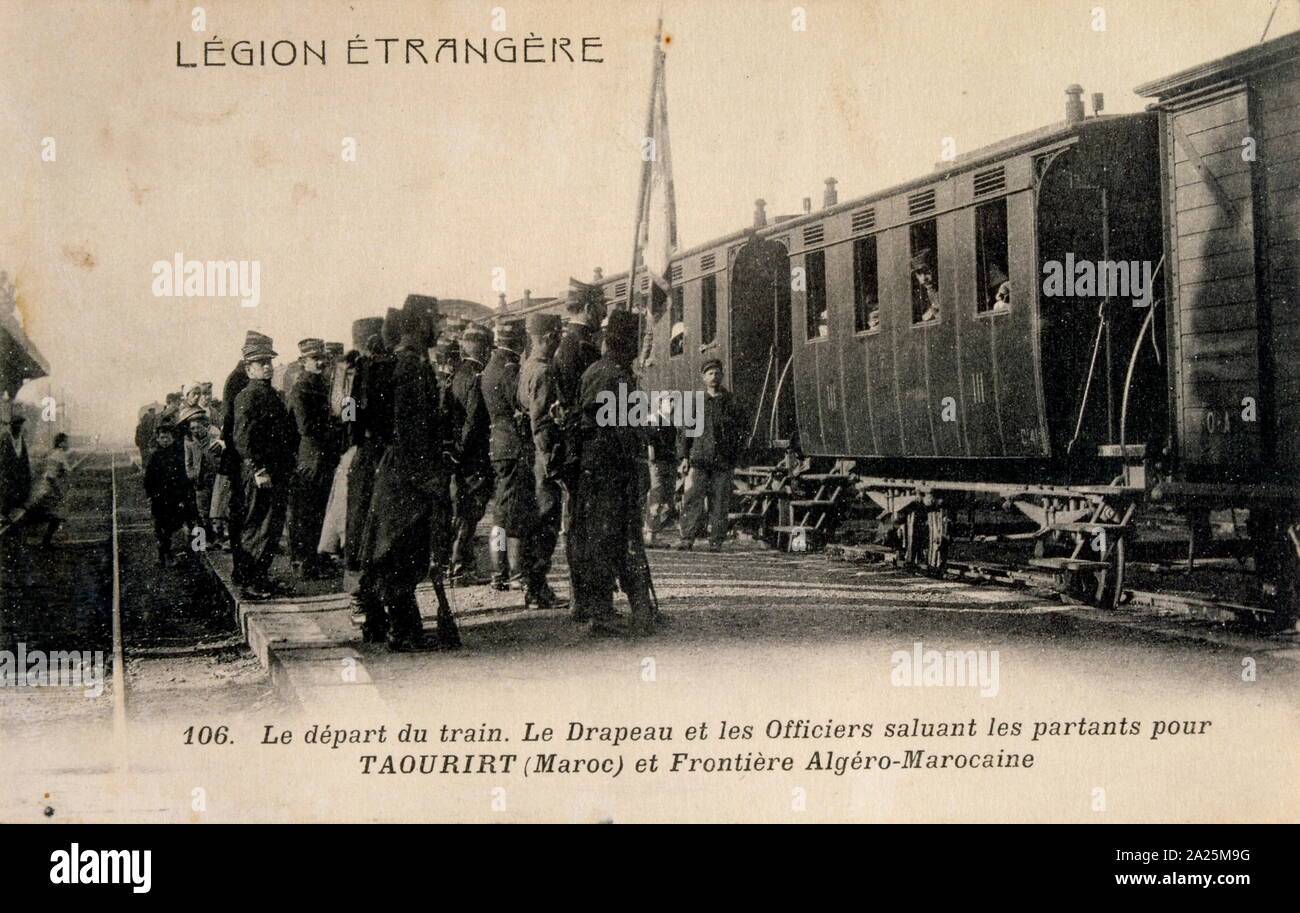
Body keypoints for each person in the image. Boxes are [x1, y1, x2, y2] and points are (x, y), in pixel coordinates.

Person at [357, 295, 460, 651]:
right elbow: (409, 432)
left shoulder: (402, 363)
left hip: (400, 474)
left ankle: (403, 628)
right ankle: (403, 632)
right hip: (409, 479)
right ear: (420, 324)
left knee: (399, 555)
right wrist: (432, 481)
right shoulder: (411, 368)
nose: (441, 328)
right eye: (436, 321)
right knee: (402, 556)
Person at [571, 309, 661, 636]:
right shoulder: (615, 377)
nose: (640, 349)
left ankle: (609, 607)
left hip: (603, 467)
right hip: (610, 469)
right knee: (608, 539)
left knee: (607, 538)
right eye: (638, 342)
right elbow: (620, 428)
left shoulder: (601, 371)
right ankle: (601, 611)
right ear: (626, 344)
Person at [232, 332, 299, 599]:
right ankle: (251, 582)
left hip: (276, 471)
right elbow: (243, 438)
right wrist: (258, 469)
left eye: (269, 361)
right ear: (249, 368)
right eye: (261, 363)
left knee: (270, 528)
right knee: (258, 527)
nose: (268, 366)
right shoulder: (248, 397)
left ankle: (260, 577)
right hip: (262, 473)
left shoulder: (268, 393)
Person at [517, 312, 569, 609]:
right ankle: (537, 589)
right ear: (549, 337)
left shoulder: (527, 367)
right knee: (546, 522)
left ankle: (534, 586)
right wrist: (551, 460)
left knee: (535, 521)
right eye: (557, 335)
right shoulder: (544, 372)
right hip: (543, 457)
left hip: (532, 455)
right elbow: (541, 421)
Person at [343, 315, 392, 629]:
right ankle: (368, 599)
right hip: (380, 457)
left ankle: (364, 601)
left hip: (365, 456)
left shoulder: (354, 373)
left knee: (360, 527)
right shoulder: (379, 369)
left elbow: (348, 415)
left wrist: (351, 440)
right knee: (374, 529)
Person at [480, 317, 536, 593]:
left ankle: (498, 571)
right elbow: (522, 403)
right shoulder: (511, 369)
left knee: (501, 512)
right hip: (514, 446)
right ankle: (515, 573)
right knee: (516, 513)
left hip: (498, 444)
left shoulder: (490, 367)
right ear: (520, 340)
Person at [287, 338, 341, 580]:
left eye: (322, 358)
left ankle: (318, 559)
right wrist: (334, 427)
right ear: (303, 361)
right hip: (311, 458)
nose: (320, 362)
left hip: (324, 456)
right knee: (306, 513)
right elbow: (305, 426)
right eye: (314, 359)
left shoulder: (323, 384)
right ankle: (303, 563)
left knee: (321, 510)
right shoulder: (301, 388)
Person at [677, 358, 744, 552]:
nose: (714, 377)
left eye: (717, 373)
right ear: (703, 377)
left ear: (722, 376)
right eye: (710, 373)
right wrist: (684, 457)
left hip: (723, 461)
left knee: (720, 502)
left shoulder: (731, 402)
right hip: (698, 459)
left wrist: (735, 454)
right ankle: (687, 538)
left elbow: (741, 431)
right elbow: (685, 431)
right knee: (691, 499)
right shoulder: (696, 402)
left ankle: (716, 541)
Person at [446, 323, 493, 587]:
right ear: (484, 348)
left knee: (460, 509)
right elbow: (474, 421)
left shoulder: (456, 374)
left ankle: (457, 564)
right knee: (470, 511)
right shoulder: (476, 376)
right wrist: (464, 452)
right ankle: (460, 567)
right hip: (473, 456)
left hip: (458, 453)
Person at [214, 349, 251, 567]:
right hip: (239, 453)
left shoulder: (235, 377)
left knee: (240, 508)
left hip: (236, 451)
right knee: (240, 508)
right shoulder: (239, 379)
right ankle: (241, 562)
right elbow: (233, 420)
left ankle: (242, 562)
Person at [144, 423, 193, 565]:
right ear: (158, 440)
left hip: (175, 497)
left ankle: (173, 554)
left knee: (173, 525)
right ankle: (163, 556)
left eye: (167, 438)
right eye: (162, 438)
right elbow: (149, 478)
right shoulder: (155, 457)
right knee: (160, 528)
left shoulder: (179, 454)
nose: (165, 440)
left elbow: (183, 477)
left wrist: (183, 496)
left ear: (172, 438)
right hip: (159, 498)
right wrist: (150, 494)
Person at [643, 395, 678, 548]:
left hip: (669, 464)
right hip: (657, 463)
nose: (672, 404)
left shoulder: (670, 424)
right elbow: (650, 442)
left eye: (673, 401)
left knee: (668, 501)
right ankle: (650, 534)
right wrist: (652, 461)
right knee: (655, 498)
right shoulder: (652, 421)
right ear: (659, 404)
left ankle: (652, 531)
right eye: (667, 400)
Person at [180, 406, 219, 545]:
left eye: (198, 427)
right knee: (202, 512)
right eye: (193, 428)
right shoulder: (189, 443)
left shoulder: (213, 440)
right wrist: (192, 476)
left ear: (205, 427)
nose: (196, 431)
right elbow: (188, 463)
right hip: (199, 482)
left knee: (216, 510)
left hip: (214, 479)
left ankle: (218, 538)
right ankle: (205, 540)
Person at [0, 412, 33, 522]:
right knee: (7, 489)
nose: (20, 428)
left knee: (21, 485)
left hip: (17, 468)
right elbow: (3, 457)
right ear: (13, 426)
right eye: (18, 425)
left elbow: (23, 454)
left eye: (21, 425)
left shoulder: (20, 437)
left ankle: (16, 505)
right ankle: (3, 513)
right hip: (7, 469)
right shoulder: (5, 437)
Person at [911, 249, 940, 323]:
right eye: (919, 274)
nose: (924, 278)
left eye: (926, 271)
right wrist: (932, 311)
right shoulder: (917, 300)